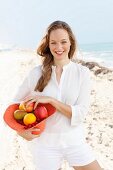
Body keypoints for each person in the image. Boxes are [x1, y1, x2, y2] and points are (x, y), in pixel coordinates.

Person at [13, 21, 102, 170]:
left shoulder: (82, 73)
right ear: (48, 45)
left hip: (74, 141)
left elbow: (81, 113)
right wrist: (21, 132)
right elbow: (14, 105)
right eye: (53, 43)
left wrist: (52, 101)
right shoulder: (36, 73)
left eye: (63, 42)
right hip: (45, 146)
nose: (59, 47)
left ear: (71, 42)